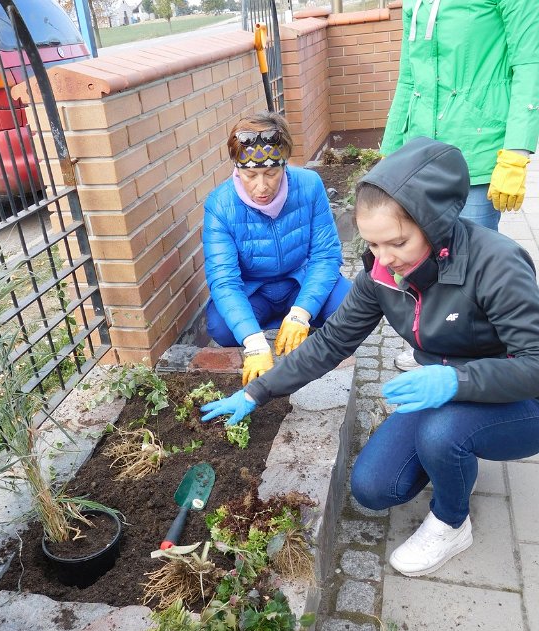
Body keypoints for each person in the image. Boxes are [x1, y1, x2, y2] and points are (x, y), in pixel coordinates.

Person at [199, 137, 539, 578]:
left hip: (520, 398)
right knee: (374, 487)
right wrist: (257, 391)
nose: (384, 261)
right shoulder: (382, 273)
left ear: (432, 224)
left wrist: (455, 382)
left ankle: (452, 521)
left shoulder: (496, 264)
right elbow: (332, 341)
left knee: (441, 433)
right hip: (454, 385)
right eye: (373, 245)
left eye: (396, 243)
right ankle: (459, 448)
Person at [381, 0, 539, 372]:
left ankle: (478, 361)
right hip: (422, 153)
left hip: (478, 150)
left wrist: (516, 151)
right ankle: (435, 345)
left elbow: (530, 64)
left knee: (468, 263)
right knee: (426, 255)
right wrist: (390, 153)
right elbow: (409, 75)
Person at [202, 112, 351, 386]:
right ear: (237, 169)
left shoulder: (309, 185)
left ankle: (298, 323)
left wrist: (301, 312)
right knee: (221, 328)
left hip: (299, 279)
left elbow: (325, 255)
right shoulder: (220, 205)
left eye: (271, 173)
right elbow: (223, 280)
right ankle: (264, 327)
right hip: (255, 291)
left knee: (346, 304)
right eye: (250, 175)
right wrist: (254, 342)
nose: (261, 186)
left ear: (285, 164)